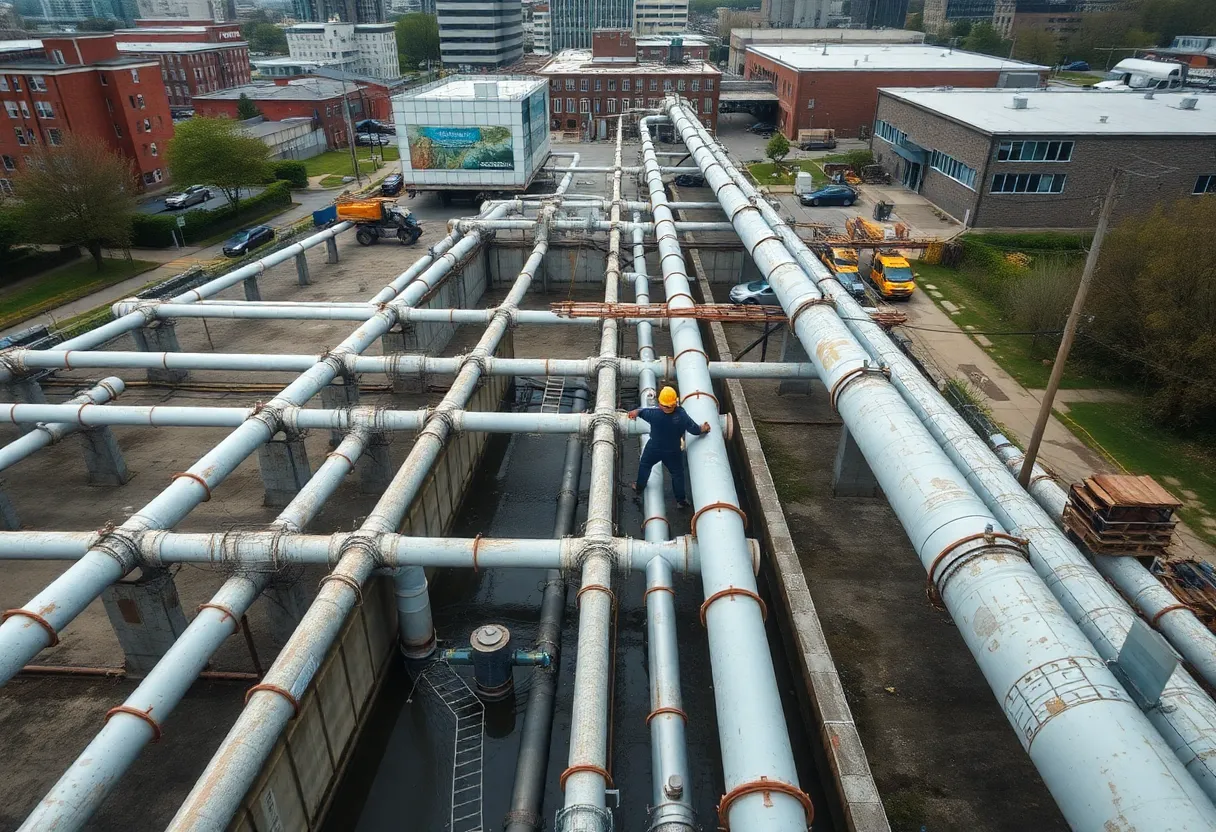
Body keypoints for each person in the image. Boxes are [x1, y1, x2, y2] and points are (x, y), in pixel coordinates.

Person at [626, 385, 711, 509]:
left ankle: (639, 487)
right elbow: (694, 429)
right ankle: (681, 500)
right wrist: (703, 429)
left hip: (654, 447)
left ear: (660, 404)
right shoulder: (681, 415)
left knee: (645, 465)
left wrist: (634, 413)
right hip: (673, 450)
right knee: (677, 474)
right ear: (675, 403)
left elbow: (640, 412)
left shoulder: (654, 414)